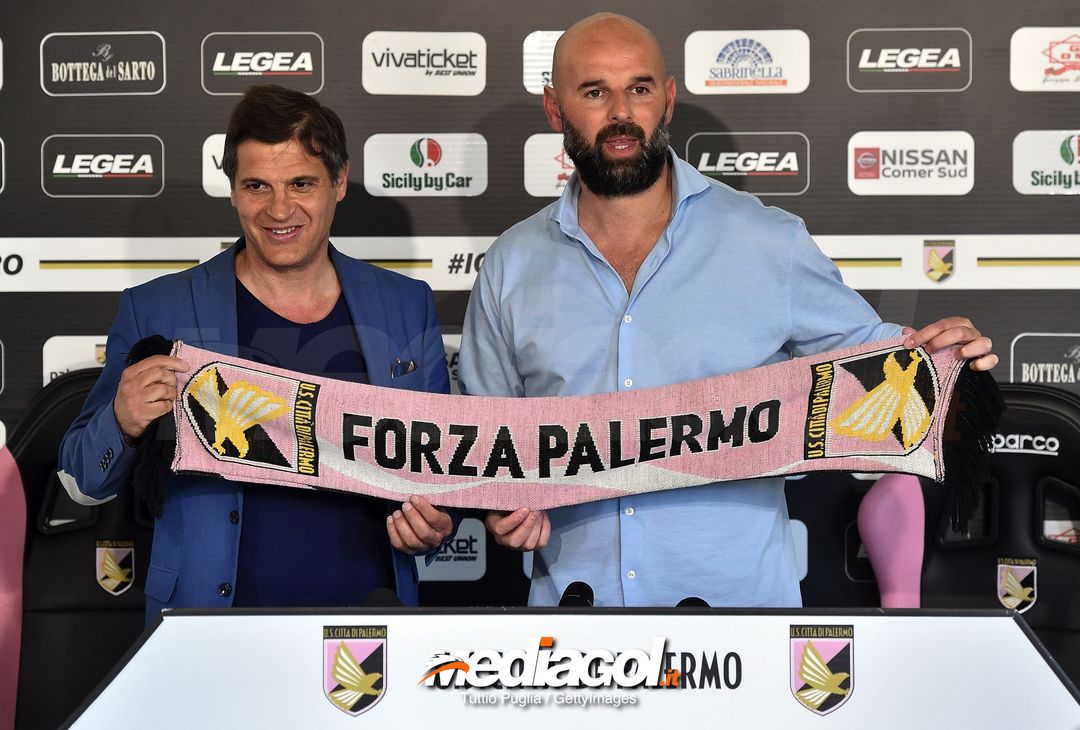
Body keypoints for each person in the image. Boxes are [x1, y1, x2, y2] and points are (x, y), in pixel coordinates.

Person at [459, 13, 997, 608]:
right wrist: (500, 506)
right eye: (594, 92)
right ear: (555, 109)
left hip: (741, 630)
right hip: (573, 632)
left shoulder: (770, 242)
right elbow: (485, 439)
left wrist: (947, 355)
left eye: (638, 89)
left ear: (666, 99)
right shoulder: (510, 265)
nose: (620, 113)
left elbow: (881, 366)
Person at [59, 85, 455, 621]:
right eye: (257, 186)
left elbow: (440, 476)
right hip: (207, 630)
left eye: (301, 183)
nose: (279, 209)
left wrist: (430, 526)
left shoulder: (405, 306)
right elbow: (82, 481)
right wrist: (121, 421)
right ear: (233, 191)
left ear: (338, 183)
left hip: (366, 627)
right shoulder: (155, 309)